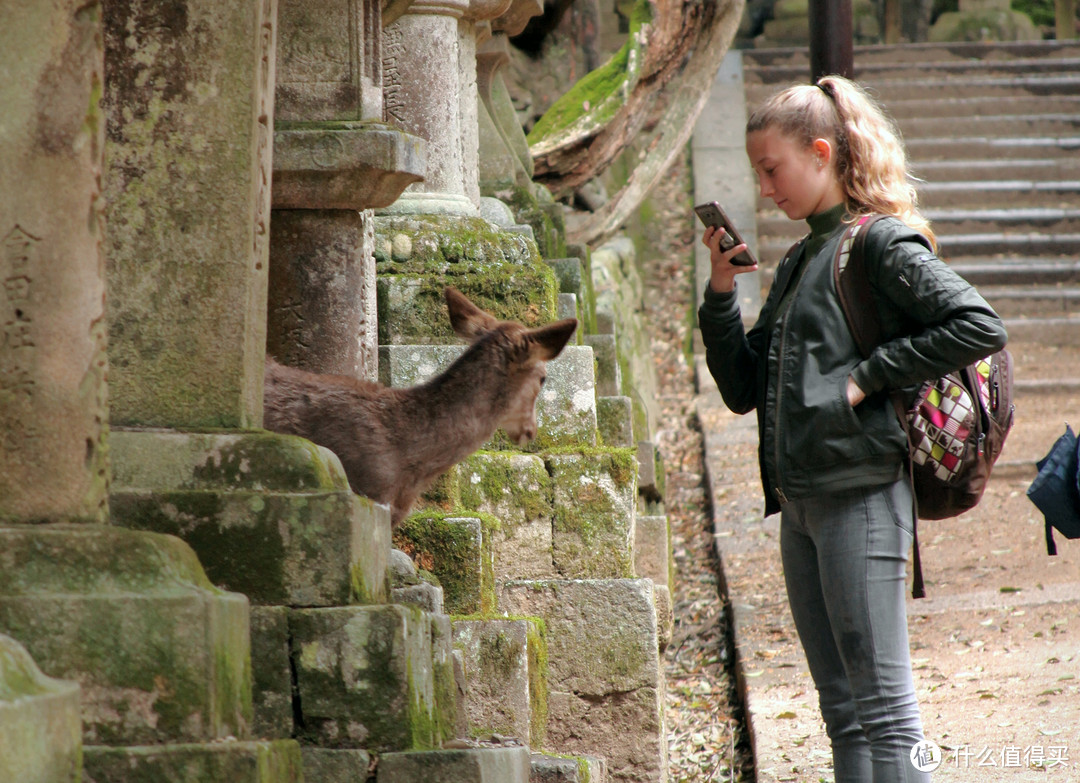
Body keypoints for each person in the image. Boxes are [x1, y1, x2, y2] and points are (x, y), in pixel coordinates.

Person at [697, 75, 1008, 783]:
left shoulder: (877, 243)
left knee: (885, 708)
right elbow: (743, 389)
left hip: (862, 494)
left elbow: (979, 323)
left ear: (818, 152)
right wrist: (722, 291)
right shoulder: (803, 258)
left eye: (771, 169)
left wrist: (870, 374)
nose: (766, 188)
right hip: (801, 504)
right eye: (757, 174)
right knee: (841, 707)